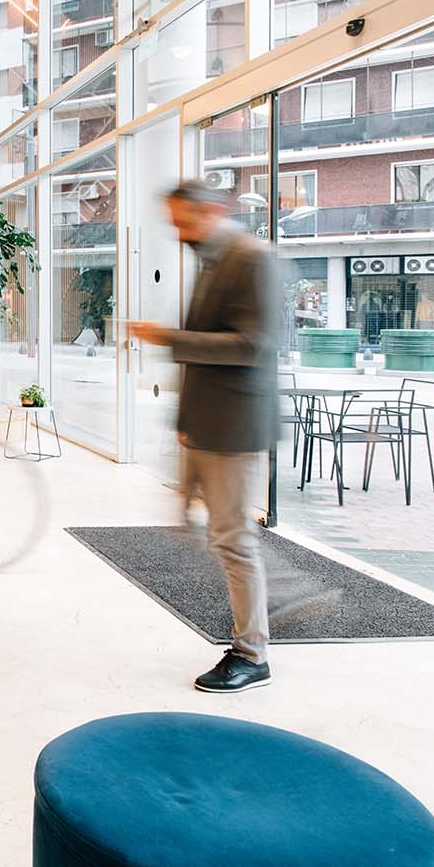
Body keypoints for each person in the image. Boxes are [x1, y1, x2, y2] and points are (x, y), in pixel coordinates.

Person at [129, 180, 283, 694]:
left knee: (235, 540)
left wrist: (167, 338)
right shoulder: (214, 258)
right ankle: (256, 623)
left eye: (184, 222)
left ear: (213, 211)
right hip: (207, 425)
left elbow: (251, 345)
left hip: (235, 430)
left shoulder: (250, 258)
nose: (178, 233)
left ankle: (251, 653)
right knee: (217, 534)